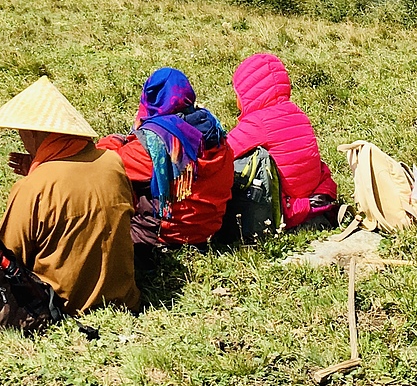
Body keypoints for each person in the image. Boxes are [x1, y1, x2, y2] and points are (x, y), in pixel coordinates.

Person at [0, 76, 140, 315]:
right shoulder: (112, 162)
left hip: (62, 307)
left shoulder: (34, 186)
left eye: (21, 133)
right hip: (125, 300)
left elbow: (9, 257)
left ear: (34, 133)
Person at [98, 67, 234, 251]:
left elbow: (107, 163)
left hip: (163, 237)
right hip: (207, 232)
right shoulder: (216, 132)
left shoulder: (155, 142)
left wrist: (114, 140)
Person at [228, 53, 338, 229]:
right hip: (311, 199)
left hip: (286, 208)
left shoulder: (258, 122)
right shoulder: (297, 113)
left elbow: (226, 150)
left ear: (249, 93)